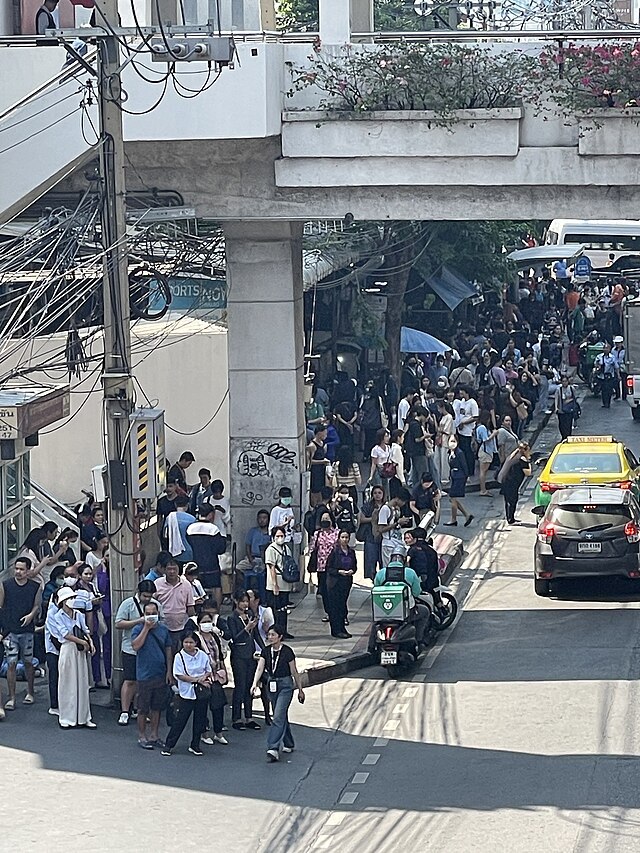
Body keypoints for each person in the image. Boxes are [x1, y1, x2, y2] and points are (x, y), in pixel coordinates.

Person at [251, 625, 305, 763]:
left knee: (278, 716)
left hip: (285, 685)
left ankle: (273, 747)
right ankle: (289, 742)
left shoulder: (287, 652)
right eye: (269, 635)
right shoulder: (266, 651)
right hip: (272, 684)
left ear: (280, 636)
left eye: (273, 635)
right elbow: (260, 668)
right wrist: (255, 684)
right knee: (280, 715)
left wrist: (300, 689)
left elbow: (294, 671)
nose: (270, 637)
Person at [114, 579, 165, 726]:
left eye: (149, 596)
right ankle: (125, 711)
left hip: (148, 649)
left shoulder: (156, 605)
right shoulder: (128, 604)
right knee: (130, 679)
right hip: (130, 648)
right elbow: (118, 623)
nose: (147, 599)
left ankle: (140, 709)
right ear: (139, 593)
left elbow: (161, 621)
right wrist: (139, 621)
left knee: (144, 682)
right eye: (145, 596)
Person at [50, 587, 96, 729]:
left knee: (82, 683)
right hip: (68, 649)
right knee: (67, 683)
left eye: (73, 598)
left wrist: (90, 642)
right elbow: (65, 634)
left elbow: (85, 630)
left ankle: (84, 717)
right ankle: (66, 717)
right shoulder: (58, 616)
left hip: (80, 651)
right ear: (62, 601)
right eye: (69, 598)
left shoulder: (78, 614)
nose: (72, 600)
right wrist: (82, 642)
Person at [0, 557, 42, 709]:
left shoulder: (35, 586)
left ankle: (30, 692)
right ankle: (11, 698)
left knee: (28, 662)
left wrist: (31, 615)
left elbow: (37, 605)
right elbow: (1, 607)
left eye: (22, 569)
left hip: (27, 630)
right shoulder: (6, 585)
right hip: (11, 630)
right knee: (11, 663)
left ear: (28, 570)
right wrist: (3, 631)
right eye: (16, 569)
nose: (18, 572)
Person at [161, 631, 212, 756]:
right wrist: (197, 680)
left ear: (196, 643)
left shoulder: (203, 655)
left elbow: (208, 670)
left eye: (191, 642)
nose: (188, 645)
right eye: (186, 642)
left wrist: (202, 678)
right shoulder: (179, 656)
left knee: (200, 720)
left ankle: (195, 745)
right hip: (187, 693)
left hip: (201, 692)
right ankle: (169, 745)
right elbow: (179, 675)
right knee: (180, 720)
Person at [131, 601, 172, 749]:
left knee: (157, 707)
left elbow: (168, 650)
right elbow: (136, 646)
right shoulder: (137, 629)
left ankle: (154, 735)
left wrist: (169, 671)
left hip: (160, 674)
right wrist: (146, 628)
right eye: (148, 614)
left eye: (153, 613)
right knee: (143, 708)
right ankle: (142, 736)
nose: (151, 616)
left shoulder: (163, 630)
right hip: (144, 675)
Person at [373, 558, 430, 648]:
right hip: (407, 613)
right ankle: (419, 639)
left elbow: (376, 589)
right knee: (425, 611)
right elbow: (416, 592)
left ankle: (371, 647)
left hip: (384, 613)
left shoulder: (381, 573)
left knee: (375, 624)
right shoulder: (410, 572)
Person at [227, 594, 261, 731]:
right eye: (243, 602)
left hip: (250, 654)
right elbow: (234, 637)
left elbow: (256, 635)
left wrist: (264, 650)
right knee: (240, 686)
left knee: (249, 686)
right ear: (236, 602)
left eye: (247, 601)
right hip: (239, 656)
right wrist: (247, 628)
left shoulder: (250, 615)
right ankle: (236, 717)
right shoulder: (232, 618)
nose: (245, 604)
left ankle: (249, 716)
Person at [195, 611, 229, 745]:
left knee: (218, 705)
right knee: (203, 707)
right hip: (203, 677)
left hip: (216, 675)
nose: (206, 624)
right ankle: (204, 733)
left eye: (208, 621)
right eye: (203, 622)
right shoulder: (197, 638)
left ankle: (218, 733)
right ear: (198, 624)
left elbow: (220, 655)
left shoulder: (214, 636)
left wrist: (223, 669)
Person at [186, 503, 227, 607]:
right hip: (211, 565)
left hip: (194, 563)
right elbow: (220, 549)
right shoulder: (213, 529)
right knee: (216, 587)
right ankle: (216, 611)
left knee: (193, 586)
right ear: (211, 514)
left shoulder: (190, 528)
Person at [153, 558, 196, 649]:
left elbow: (190, 606)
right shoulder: (157, 583)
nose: (172, 572)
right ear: (164, 570)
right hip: (162, 626)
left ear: (178, 570)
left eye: (174, 569)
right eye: (169, 569)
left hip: (181, 627)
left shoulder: (186, 584)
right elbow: (152, 604)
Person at [264, 527, 295, 638]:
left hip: (285, 582)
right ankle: (274, 632)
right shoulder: (271, 549)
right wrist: (274, 585)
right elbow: (271, 567)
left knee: (284, 609)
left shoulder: (286, 548)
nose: (280, 538)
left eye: (282, 536)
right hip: (275, 583)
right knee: (275, 609)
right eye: (277, 536)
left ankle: (283, 631)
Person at [309, 512, 340, 621]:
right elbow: (313, 548)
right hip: (321, 567)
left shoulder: (337, 533)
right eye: (323, 518)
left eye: (327, 518)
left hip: (334, 566)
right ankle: (329, 612)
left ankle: (339, 613)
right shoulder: (317, 534)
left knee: (335, 591)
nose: (325, 520)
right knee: (325, 591)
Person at [325, 531, 356, 639]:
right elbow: (329, 568)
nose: (345, 539)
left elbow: (355, 566)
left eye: (347, 537)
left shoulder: (351, 552)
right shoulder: (334, 552)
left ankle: (342, 628)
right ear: (339, 538)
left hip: (346, 582)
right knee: (335, 607)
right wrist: (339, 571)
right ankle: (336, 630)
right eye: (342, 537)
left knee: (342, 606)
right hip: (334, 583)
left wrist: (351, 571)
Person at [236, 509, 271, 597]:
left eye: (264, 518)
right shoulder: (253, 531)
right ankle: (244, 590)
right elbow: (248, 546)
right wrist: (251, 559)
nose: (262, 520)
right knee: (237, 568)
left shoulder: (271, 532)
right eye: (260, 518)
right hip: (252, 558)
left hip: (265, 560)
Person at [500, 442, 532, 524]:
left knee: (507, 500)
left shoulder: (514, 455)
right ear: (525, 451)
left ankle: (509, 517)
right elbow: (528, 473)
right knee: (512, 500)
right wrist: (529, 461)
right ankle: (511, 520)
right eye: (528, 450)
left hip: (504, 480)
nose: (530, 452)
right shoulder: (522, 459)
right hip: (511, 482)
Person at [444, 437, 474, 527]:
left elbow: (464, 465)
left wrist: (466, 476)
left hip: (459, 477)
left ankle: (454, 519)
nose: (452, 443)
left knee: (453, 497)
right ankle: (466, 515)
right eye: (450, 441)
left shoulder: (459, 453)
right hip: (454, 476)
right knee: (453, 498)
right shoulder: (450, 452)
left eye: (454, 441)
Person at [376, 491, 410, 568]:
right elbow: (381, 529)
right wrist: (397, 523)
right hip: (388, 544)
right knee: (389, 568)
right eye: (403, 501)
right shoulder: (385, 509)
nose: (403, 504)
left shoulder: (395, 509)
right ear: (397, 499)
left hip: (397, 542)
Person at [358, 485, 385, 581]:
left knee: (383, 560)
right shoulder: (368, 506)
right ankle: (373, 578)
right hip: (370, 536)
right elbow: (361, 519)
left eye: (379, 493)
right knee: (371, 559)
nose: (377, 495)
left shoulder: (387, 505)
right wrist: (373, 519)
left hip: (384, 536)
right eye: (375, 493)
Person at [404, 528, 440, 598]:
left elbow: (407, 563)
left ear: (415, 538)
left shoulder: (413, 550)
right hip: (433, 579)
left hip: (420, 581)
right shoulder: (431, 550)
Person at [453, 387, 479, 478]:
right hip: (461, 430)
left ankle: (470, 470)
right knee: (462, 450)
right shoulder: (462, 402)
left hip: (468, 430)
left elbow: (475, 417)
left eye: (462, 391)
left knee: (468, 450)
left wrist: (464, 422)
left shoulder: (472, 403)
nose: (460, 392)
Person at [164, 495, 196, 566]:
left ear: (175, 504)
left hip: (173, 551)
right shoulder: (192, 519)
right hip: (189, 552)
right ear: (187, 505)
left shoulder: (169, 518)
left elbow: (165, 535)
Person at [475, 411, 498, 497]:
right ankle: (483, 489)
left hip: (485, 450)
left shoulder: (480, 427)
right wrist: (494, 434)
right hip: (485, 451)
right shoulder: (482, 428)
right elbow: (485, 439)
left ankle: (483, 489)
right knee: (483, 471)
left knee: (483, 471)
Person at [307, 425, 330, 507]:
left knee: (321, 489)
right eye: (324, 433)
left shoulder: (322, 443)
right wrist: (322, 461)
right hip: (315, 471)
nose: (326, 435)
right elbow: (310, 461)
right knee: (315, 490)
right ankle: (314, 504)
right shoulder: (312, 446)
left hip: (321, 470)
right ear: (319, 433)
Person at [434, 401, 455, 485]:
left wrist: (440, 430)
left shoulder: (449, 417)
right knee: (437, 459)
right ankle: (438, 476)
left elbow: (447, 430)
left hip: (446, 439)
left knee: (444, 460)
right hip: (440, 438)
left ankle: (444, 478)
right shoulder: (442, 417)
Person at [594, 342, 619, 409]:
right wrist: (598, 367)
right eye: (604, 348)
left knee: (609, 389)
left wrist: (618, 375)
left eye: (607, 348)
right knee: (604, 390)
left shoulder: (612, 357)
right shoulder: (599, 356)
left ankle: (608, 402)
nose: (606, 349)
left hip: (610, 375)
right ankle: (605, 403)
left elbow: (616, 367)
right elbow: (596, 364)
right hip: (602, 376)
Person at [156, 480, 179, 547]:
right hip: (165, 531)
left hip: (177, 530)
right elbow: (159, 518)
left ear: (175, 486)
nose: (168, 489)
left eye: (170, 486)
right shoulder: (161, 501)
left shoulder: (181, 500)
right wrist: (159, 532)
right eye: (166, 486)